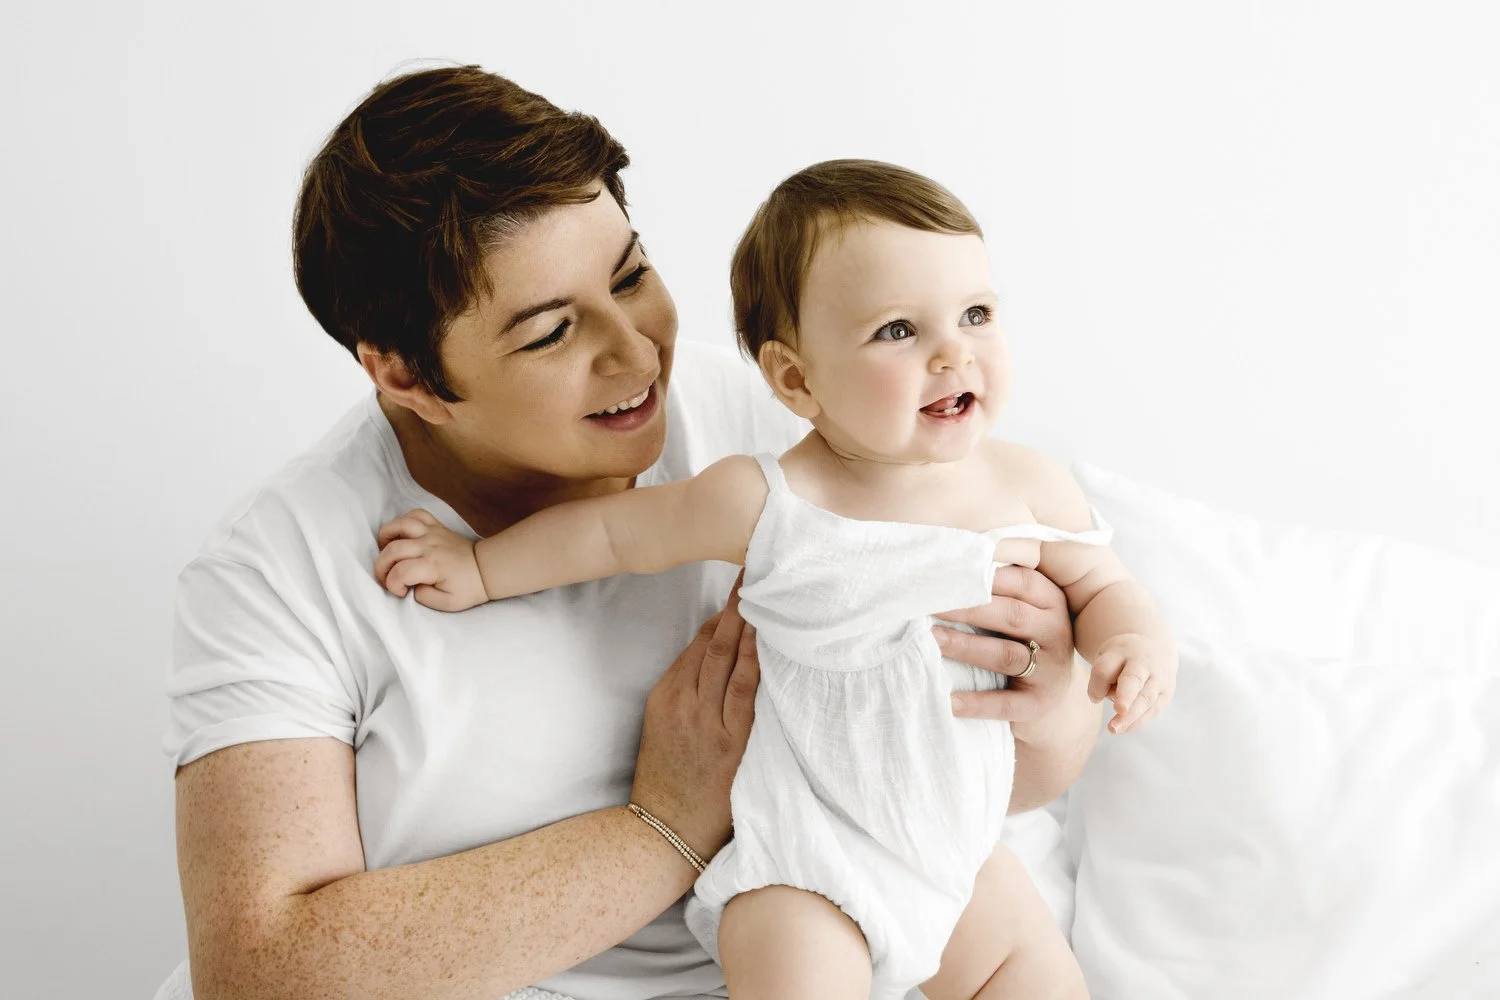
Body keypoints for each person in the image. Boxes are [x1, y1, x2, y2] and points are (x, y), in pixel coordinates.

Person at [163, 66, 1112, 1000]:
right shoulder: (278, 572)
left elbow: (966, 781)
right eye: (549, 334)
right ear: (406, 376)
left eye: (632, 276)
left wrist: (1051, 698)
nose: (634, 351)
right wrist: (661, 825)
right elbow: (259, 974)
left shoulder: (809, 417)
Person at [372, 159, 1178, 1000]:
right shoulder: (771, 499)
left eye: (975, 314)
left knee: (1039, 979)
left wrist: (1131, 643)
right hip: (805, 861)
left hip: (960, 852)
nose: (953, 353)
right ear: (796, 379)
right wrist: (478, 565)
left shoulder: (1025, 485)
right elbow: (614, 534)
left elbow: (1105, 586)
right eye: (898, 331)